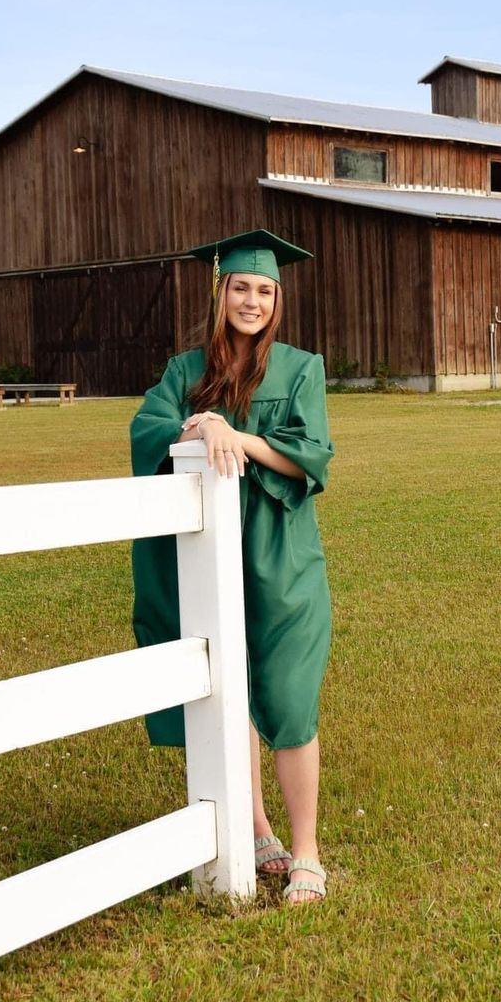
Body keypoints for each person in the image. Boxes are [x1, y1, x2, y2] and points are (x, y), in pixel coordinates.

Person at [130, 228, 335, 905]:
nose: (253, 300)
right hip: (208, 554)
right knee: (228, 689)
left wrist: (235, 431)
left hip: (280, 552)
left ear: (278, 299)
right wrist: (200, 422)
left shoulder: (303, 368)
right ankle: (256, 830)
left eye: (265, 290)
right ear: (221, 292)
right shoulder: (183, 371)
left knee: (290, 695)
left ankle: (307, 849)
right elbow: (147, 433)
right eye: (241, 287)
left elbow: (309, 454)